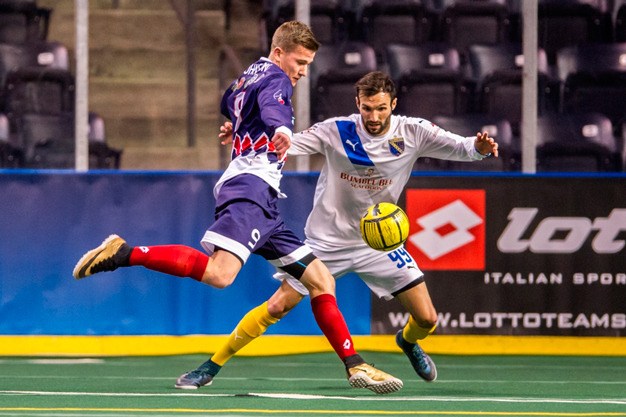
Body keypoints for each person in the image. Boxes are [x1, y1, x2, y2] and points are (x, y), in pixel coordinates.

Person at [72, 23, 402, 395]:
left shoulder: (250, 74)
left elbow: (229, 101)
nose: (303, 71)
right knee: (219, 275)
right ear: (280, 53)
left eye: (308, 63)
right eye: (300, 61)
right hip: (251, 188)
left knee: (320, 280)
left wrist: (238, 126)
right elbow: (274, 110)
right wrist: (282, 131)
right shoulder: (276, 77)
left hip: (264, 201)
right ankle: (124, 253)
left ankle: (355, 364)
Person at [175, 71, 499, 388]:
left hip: (379, 243)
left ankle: (407, 341)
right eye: (367, 108)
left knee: (427, 319)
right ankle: (211, 365)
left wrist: (480, 148)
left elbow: (462, 147)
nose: (374, 116)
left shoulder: (413, 132)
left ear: (394, 104)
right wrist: (246, 135)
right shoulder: (336, 131)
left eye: (381, 108)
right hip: (326, 242)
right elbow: (285, 144)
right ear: (357, 103)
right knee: (276, 306)